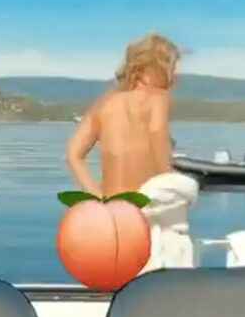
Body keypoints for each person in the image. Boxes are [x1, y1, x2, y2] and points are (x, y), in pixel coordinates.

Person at [65, 32, 199, 269]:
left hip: (113, 218)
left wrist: (97, 197)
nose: (176, 76)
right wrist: (170, 184)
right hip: (143, 215)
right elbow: (157, 137)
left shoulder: (104, 103)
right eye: (173, 67)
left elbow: (73, 155)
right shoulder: (158, 98)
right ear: (155, 67)